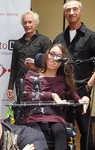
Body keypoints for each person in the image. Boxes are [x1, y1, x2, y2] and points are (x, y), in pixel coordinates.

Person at [22, 44, 89, 150]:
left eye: (58, 57)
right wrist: (52, 95)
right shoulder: (31, 75)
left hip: (55, 117)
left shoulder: (63, 79)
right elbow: (29, 95)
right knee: (36, 136)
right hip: (34, 116)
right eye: (52, 54)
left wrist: (84, 99)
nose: (54, 58)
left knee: (60, 132)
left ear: (62, 61)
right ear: (46, 55)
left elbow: (75, 96)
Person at [53, 0, 95, 149]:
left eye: (74, 9)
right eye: (68, 10)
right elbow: (52, 62)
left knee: (85, 129)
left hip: (82, 89)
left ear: (80, 11)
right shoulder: (58, 39)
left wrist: (89, 85)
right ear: (64, 14)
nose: (71, 12)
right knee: (63, 129)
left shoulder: (91, 37)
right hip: (62, 91)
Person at [7, 10, 51, 123]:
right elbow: (13, 66)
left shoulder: (44, 40)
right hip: (20, 82)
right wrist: (10, 87)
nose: (27, 25)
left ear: (35, 23)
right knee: (22, 109)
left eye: (30, 22)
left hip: (38, 81)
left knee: (36, 110)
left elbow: (49, 63)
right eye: (25, 22)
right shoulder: (17, 43)